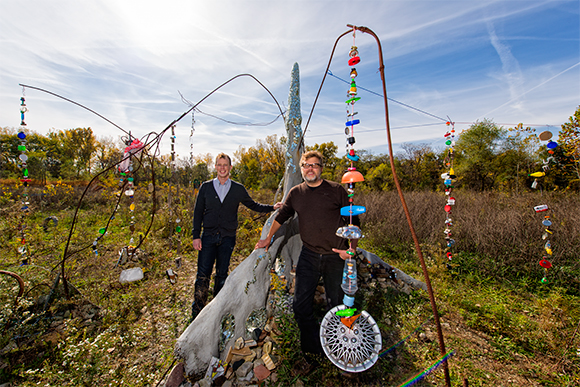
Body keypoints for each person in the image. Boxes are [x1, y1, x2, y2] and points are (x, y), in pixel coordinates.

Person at [255, 150, 359, 361]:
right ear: (301, 169)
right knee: (300, 306)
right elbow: (282, 216)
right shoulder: (296, 193)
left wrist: (351, 249)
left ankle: (342, 349)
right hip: (309, 255)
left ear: (321, 168)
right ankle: (314, 349)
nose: (310, 168)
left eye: (314, 164)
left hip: (335, 256)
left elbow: (353, 221)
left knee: (339, 305)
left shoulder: (337, 190)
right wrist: (267, 238)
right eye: (306, 165)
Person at [191, 153, 282, 320]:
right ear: (216, 167)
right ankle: (197, 313)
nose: (222, 168)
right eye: (219, 165)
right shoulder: (206, 187)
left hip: (227, 238)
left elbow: (253, 205)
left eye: (225, 165)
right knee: (203, 274)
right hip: (208, 237)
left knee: (222, 274)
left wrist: (272, 207)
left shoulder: (238, 189)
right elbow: (197, 213)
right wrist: (196, 236)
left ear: (230, 168)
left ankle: (216, 312)